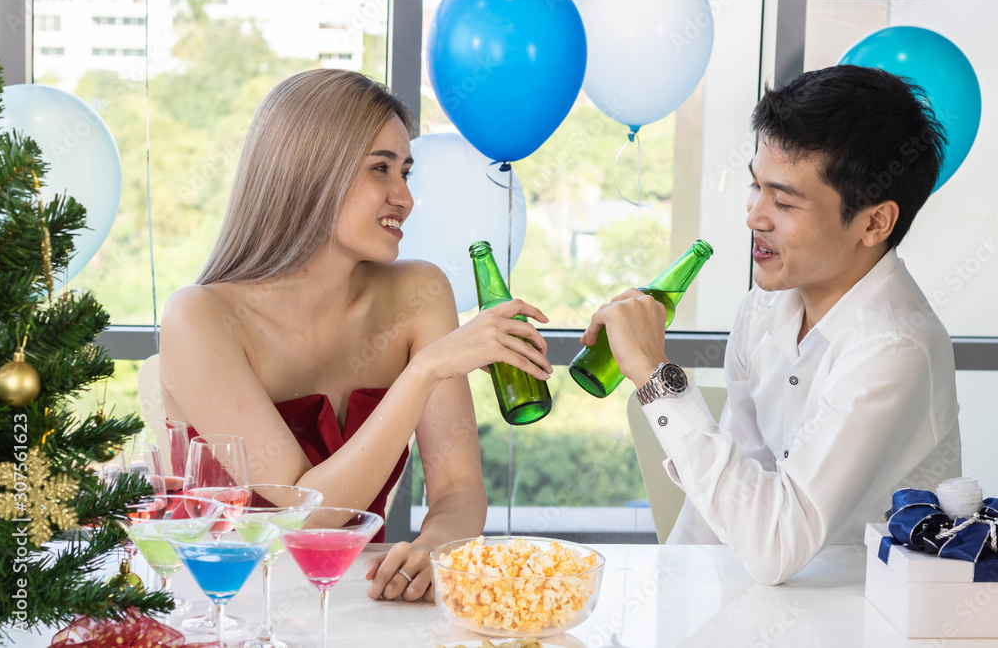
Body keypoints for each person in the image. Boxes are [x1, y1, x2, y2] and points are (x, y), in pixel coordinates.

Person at [159, 69, 553, 602]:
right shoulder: (199, 318)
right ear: (309, 173)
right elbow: (309, 517)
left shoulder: (418, 292)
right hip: (225, 607)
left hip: (354, 602)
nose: (404, 198)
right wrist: (425, 369)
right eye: (380, 169)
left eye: (406, 172)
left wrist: (436, 549)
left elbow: (458, 491)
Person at [582, 65, 962, 585]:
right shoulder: (763, 309)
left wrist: (656, 378)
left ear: (875, 222)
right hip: (771, 610)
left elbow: (777, 543)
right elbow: (730, 490)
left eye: (784, 201)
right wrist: (663, 595)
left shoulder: (894, 348)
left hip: (872, 619)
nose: (755, 216)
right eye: (755, 186)